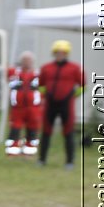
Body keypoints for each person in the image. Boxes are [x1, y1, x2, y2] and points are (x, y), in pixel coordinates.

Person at [38, 40, 85, 169]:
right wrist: (44, 96)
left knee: (68, 132)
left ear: (66, 54)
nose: (60, 55)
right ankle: (42, 159)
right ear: (54, 54)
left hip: (66, 104)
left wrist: (73, 96)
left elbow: (83, 85)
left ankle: (69, 161)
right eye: (57, 53)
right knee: (46, 131)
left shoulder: (75, 68)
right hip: (50, 104)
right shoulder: (46, 68)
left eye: (62, 53)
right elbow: (41, 85)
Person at [6, 51, 43, 157]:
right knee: (15, 129)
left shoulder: (38, 74)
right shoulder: (15, 72)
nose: (27, 62)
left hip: (33, 108)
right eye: (25, 60)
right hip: (18, 107)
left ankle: (29, 152)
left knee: (32, 130)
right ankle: (12, 152)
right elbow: (8, 79)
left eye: (29, 60)